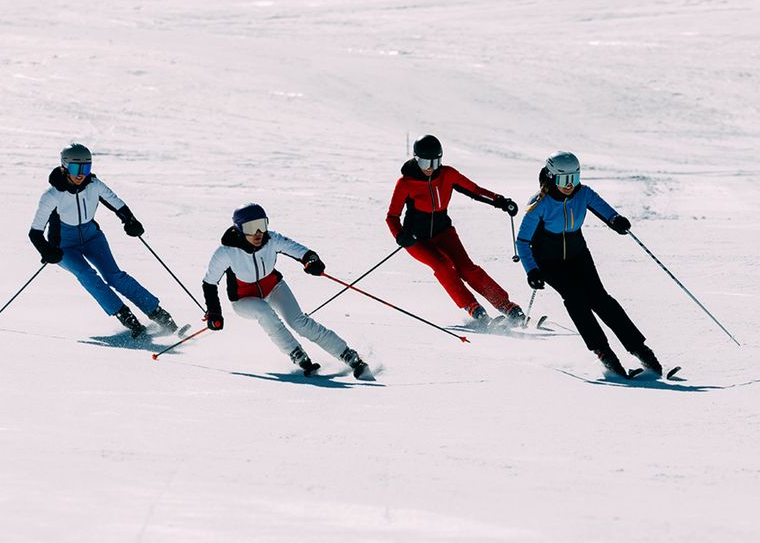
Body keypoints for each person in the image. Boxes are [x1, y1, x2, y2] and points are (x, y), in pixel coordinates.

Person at [516, 151, 663, 377]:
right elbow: (523, 241)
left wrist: (616, 221)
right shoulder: (540, 203)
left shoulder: (583, 193)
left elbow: (604, 209)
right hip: (549, 262)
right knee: (575, 299)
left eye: (574, 178)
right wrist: (532, 270)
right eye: (565, 180)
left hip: (578, 255)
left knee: (601, 299)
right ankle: (603, 352)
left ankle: (640, 350)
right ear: (552, 177)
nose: (570, 185)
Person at [202, 203, 370, 378]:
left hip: (273, 286)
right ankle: (296, 353)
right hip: (243, 299)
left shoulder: (271, 239)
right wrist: (214, 312)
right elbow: (209, 283)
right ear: (239, 229)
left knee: (299, 322)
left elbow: (301, 251)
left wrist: (311, 260)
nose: (259, 232)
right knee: (264, 311)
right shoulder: (226, 252)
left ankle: (349, 355)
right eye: (251, 228)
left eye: (262, 225)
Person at [28, 143, 179, 338]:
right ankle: (126, 317)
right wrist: (46, 249)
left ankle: (159, 314)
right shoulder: (52, 195)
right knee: (86, 274)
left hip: (92, 237)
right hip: (65, 246)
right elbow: (35, 232)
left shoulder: (94, 185)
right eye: (76, 168)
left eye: (86, 168)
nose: (81, 174)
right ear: (64, 167)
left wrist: (130, 220)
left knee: (114, 276)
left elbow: (115, 202)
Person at [386, 134, 524, 323]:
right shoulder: (405, 183)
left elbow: (474, 190)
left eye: (436, 163)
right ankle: (473, 308)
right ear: (416, 159)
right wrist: (400, 235)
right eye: (426, 163)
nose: (431, 169)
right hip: (416, 239)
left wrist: (499, 201)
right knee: (443, 266)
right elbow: (392, 216)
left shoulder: (447, 174)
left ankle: (506, 305)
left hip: (444, 232)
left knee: (467, 268)